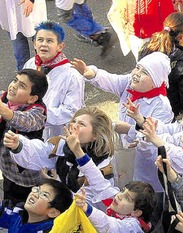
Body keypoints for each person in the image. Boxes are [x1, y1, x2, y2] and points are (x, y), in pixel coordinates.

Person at [71, 52, 174, 192]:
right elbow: (111, 80)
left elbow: (158, 137)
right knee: (123, 180)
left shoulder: (161, 105)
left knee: (142, 190)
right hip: (124, 150)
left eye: (145, 72)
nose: (137, 73)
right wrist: (93, 73)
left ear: (155, 81)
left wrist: (131, 131)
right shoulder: (129, 84)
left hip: (145, 160)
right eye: (137, 67)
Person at [7, 107, 117, 202]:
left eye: (81, 124)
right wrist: (18, 145)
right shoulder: (63, 145)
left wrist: (56, 187)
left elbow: (92, 202)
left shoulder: (102, 167)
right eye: (74, 121)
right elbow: (41, 152)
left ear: (95, 135)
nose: (73, 126)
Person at [74, 158, 157, 233]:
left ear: (136, 212)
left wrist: (87, 208)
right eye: (123, 190)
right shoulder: (121, 209)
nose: (119, 195)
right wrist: (79, 153)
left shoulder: (133, 228)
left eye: (127, 198)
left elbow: (108, 225)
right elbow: (100, 183)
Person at [23, 21, 85, 140]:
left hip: (58, 135)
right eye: (40, 40)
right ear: (34, 44)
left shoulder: (72, 74)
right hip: (28, 129)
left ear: (60, 46)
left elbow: (72, 111)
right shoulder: (30, 64)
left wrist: (38, 115)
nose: (44, 44)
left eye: (49, 41)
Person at [0, 70, 48, 206]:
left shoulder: (38, 112)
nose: (14, 86)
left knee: (24, 210)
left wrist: (4, 111)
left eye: (22, 86)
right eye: (15, 80)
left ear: (32, 98)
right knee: (8, 205)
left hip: (25, 178)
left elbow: (25, 121)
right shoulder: (6, 100)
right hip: (7, 169)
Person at [0, 179, 73, 233]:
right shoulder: (18, 212)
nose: (35, 194)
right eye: (37, 189)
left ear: (53, 212)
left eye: (44, 195)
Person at [139, 12, 183, 117]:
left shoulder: (147, 48)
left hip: (144, 105)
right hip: (168, 111)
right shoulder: (182, 61)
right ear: (182, 36)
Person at [107, 0, 175, 61]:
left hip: (156, 36)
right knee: (141, 65)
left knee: (157, 66)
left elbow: (169, 12)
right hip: (134, 34)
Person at [0, 0, 47, 70]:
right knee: (20, 54)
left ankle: (47, 74)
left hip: (31, 7)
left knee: (43, 49)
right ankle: (24, 77)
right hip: (9, 9)